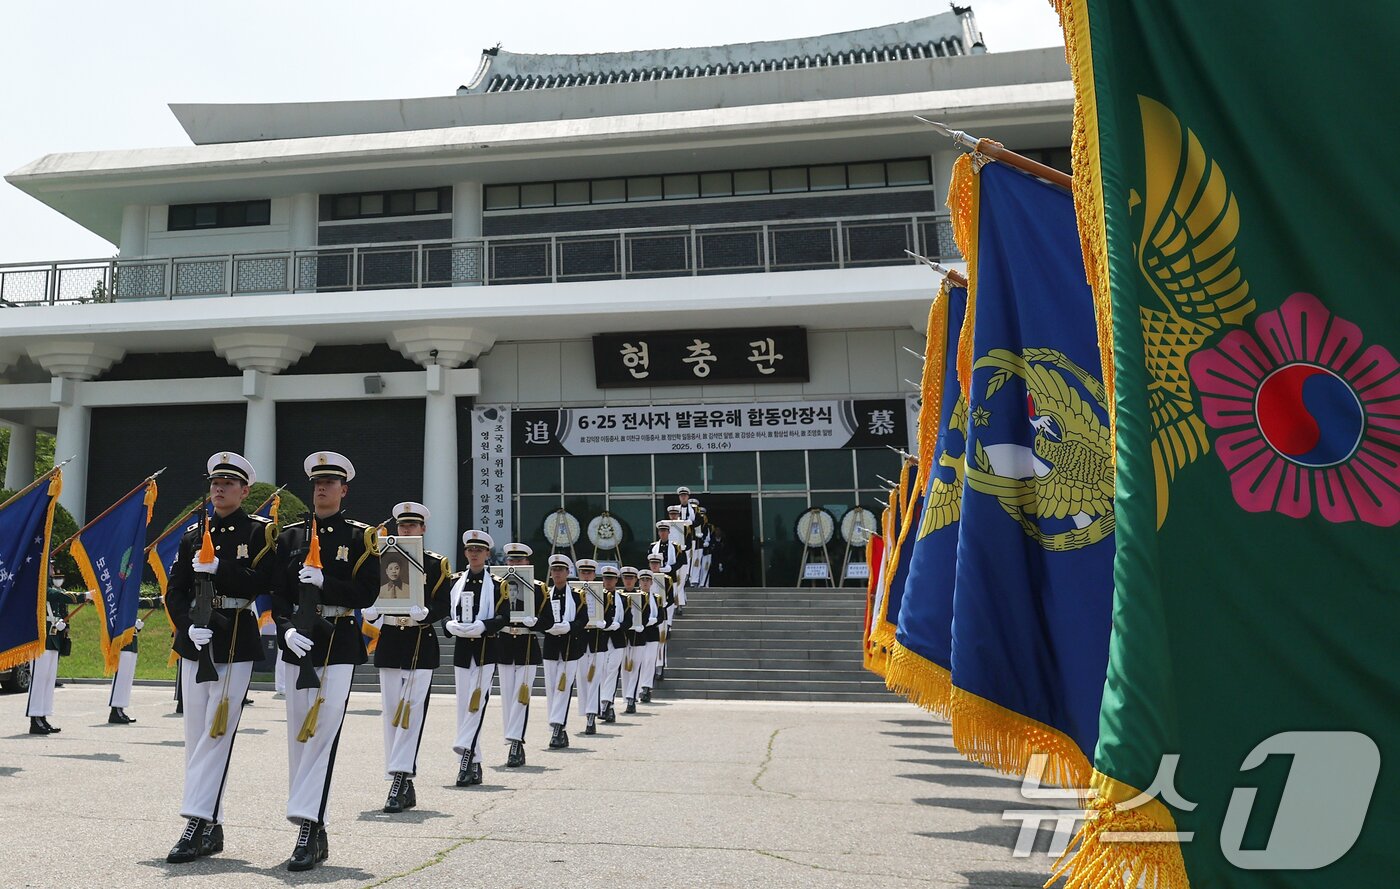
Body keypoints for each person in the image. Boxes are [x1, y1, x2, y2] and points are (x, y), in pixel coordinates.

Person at [164, 452, 277, 864]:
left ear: (245, 490)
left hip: (234, 637)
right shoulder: (193, 534)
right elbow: (175, 589)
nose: (219, 487)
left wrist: (221, 567)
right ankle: (213, 824)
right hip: (197, 636)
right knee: (195, 735)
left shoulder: (259, 532)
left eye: (229, 482)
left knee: (217, 732)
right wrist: (184, 624)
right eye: (215, 481)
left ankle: (195, 820)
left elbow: (263, 583)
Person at [271, 451, 378, 872]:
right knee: (299, 735)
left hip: (339, 641)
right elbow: (278, 593)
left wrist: (327, 583)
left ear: (343, 489)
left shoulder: (358, 538)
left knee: (324, 730)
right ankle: (315, 830)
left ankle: (305, 826)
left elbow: (366, 594)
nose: (321, 489)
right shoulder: (290, 537)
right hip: (300, 642)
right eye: (317, 482)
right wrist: (284, 628)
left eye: (330, 483)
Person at [359, 502, 450, 814]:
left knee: (410, 713)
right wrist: (370, 611)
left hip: (419, 640)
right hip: (391, 640)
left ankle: (398, 777)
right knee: (390, 713)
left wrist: (428, 615)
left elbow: (444, 603)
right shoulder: (384, 558)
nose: (406, 530)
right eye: (403, 525)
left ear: (423, 529)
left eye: (413, 525)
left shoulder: (435, 564)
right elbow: (370, 594)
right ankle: (402, 779)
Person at [444, 530, 509, 787]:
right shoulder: (455, 581)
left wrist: (485, 626)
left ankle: (465, 758)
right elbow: (446, 611)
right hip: (463, 649)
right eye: (470, 550)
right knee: (463, 705)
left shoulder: (497, 584)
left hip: (486, 649)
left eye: (479, 550)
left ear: (487, 554)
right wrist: (450, 625)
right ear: (465, 553)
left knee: (476, 704)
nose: (474, 554)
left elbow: (505, 617)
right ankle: (475, 763)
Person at [493, 542, 547, 768]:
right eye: (511, 560)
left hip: (526, 643)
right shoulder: (496, 586)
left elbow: (549, 622)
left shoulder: (538, 588)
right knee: (507, 696)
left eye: (519, 560)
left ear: (528, 562)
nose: (514, 564)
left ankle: (516, 742)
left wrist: (536, 622)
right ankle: (511, 737)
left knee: (521, 696)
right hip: (505, 642)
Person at [27, 566, 88, 735]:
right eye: (51, 566)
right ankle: (34, 719)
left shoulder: (50, 588)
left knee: (48, 680)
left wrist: (60, 623)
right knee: (39, 680)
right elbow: (56, 596)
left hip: (53, 639)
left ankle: (43, 716)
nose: (53, 570)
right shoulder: (39, 586)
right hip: (41, 639)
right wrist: (83, 596)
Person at [540, 554, 585, 749]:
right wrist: (547, 627)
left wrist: (569, 626)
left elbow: (583, 620)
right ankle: (557, 727)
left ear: (568, 573)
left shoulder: (577, 595)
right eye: (554, 570)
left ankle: (557, 726)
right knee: (551, 688)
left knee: (563, 687)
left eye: (561, 570)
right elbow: (539, 619)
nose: (557, 573)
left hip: (569, 646)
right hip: (551, 646)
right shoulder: (544, 595)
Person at [107, 592, 161, 724]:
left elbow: (135, 602)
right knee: (121, 677)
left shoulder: (127, 597)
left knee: (127, 677)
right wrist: (158, 600)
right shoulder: (118, 595)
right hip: (122, 642)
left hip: (131, 642)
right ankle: (115, 710)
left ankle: (120, 709)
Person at [588, 563, 627, 726]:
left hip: (617, 639)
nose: (608, 582)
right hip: (602, 639)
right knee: (602, 671)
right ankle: (606, 705)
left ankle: (606, 704)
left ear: (617, 580)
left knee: (612, 671)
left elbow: (630, 619)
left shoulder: (624, 599)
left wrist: (619, 625)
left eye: (611, 579)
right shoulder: (598, 597)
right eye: (605, 578)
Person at [619, 566, 652, 714]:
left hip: (638, 636)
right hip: (623, 636)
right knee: (624, 669)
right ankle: (626, 696)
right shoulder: (618, 596)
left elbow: (646, 614)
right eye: (626, 578)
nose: (628, 581)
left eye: (631, 578)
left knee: (636, 667)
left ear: (635, 580)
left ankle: (632, 697)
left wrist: (641, 625)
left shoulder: (642, 596)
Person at [645, 554, 677, 683]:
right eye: (652, 563)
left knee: (661, 643)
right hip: (648, 616)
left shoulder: (666, 579)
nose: (654, 566)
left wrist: (664, 605)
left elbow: (671, 598)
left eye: (656, 563)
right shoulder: (645, 578)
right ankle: (650, 669)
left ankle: (659, 668)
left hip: (661, 615)